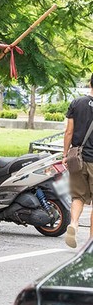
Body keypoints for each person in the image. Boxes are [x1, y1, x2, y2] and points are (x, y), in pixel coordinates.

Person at [63, 73, 93, 248]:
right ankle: (90, 242)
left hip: (78, 159)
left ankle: (73, 224)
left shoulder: (77, 103)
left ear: (90, 83)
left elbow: (69, 132)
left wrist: (65, 154)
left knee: (78, 197)